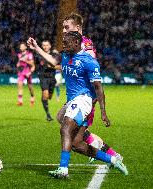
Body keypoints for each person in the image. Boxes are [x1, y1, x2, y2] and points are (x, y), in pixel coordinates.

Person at [27, 31, 128, 178]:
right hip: (72, 100)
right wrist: (36, 47)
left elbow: (99, 88)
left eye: (66, 43)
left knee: (65, 128)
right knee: (76, 144)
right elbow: (52, 61)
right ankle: (113, 159)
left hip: (84, 100)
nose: (63, 45)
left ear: (76, 43)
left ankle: (63, 169)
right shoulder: (66, 56)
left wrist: (103, 112)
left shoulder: (89, 61)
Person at [60, 13, 123, 164]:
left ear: (77, 28)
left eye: (66, 27)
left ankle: (112, 155)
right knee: (65, 121)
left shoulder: (85, 45)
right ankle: (110, 154)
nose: (63, 30)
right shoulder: (72, 44)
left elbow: (89, 66)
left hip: (87, 96)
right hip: (77, 95)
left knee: (73, 131)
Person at [36, 40, 58, 121]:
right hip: (43, 78)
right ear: (42, 46)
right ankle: (48, 115)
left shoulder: (55, 55)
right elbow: (36, 65)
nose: (45, 47)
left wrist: (51, 66)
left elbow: (59, 66)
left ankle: (44, 99)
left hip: (52, 78)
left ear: (50, 46)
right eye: (44, 45)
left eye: (47, 45)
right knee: (45, 94)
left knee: (49, 97)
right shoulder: (38, 56)